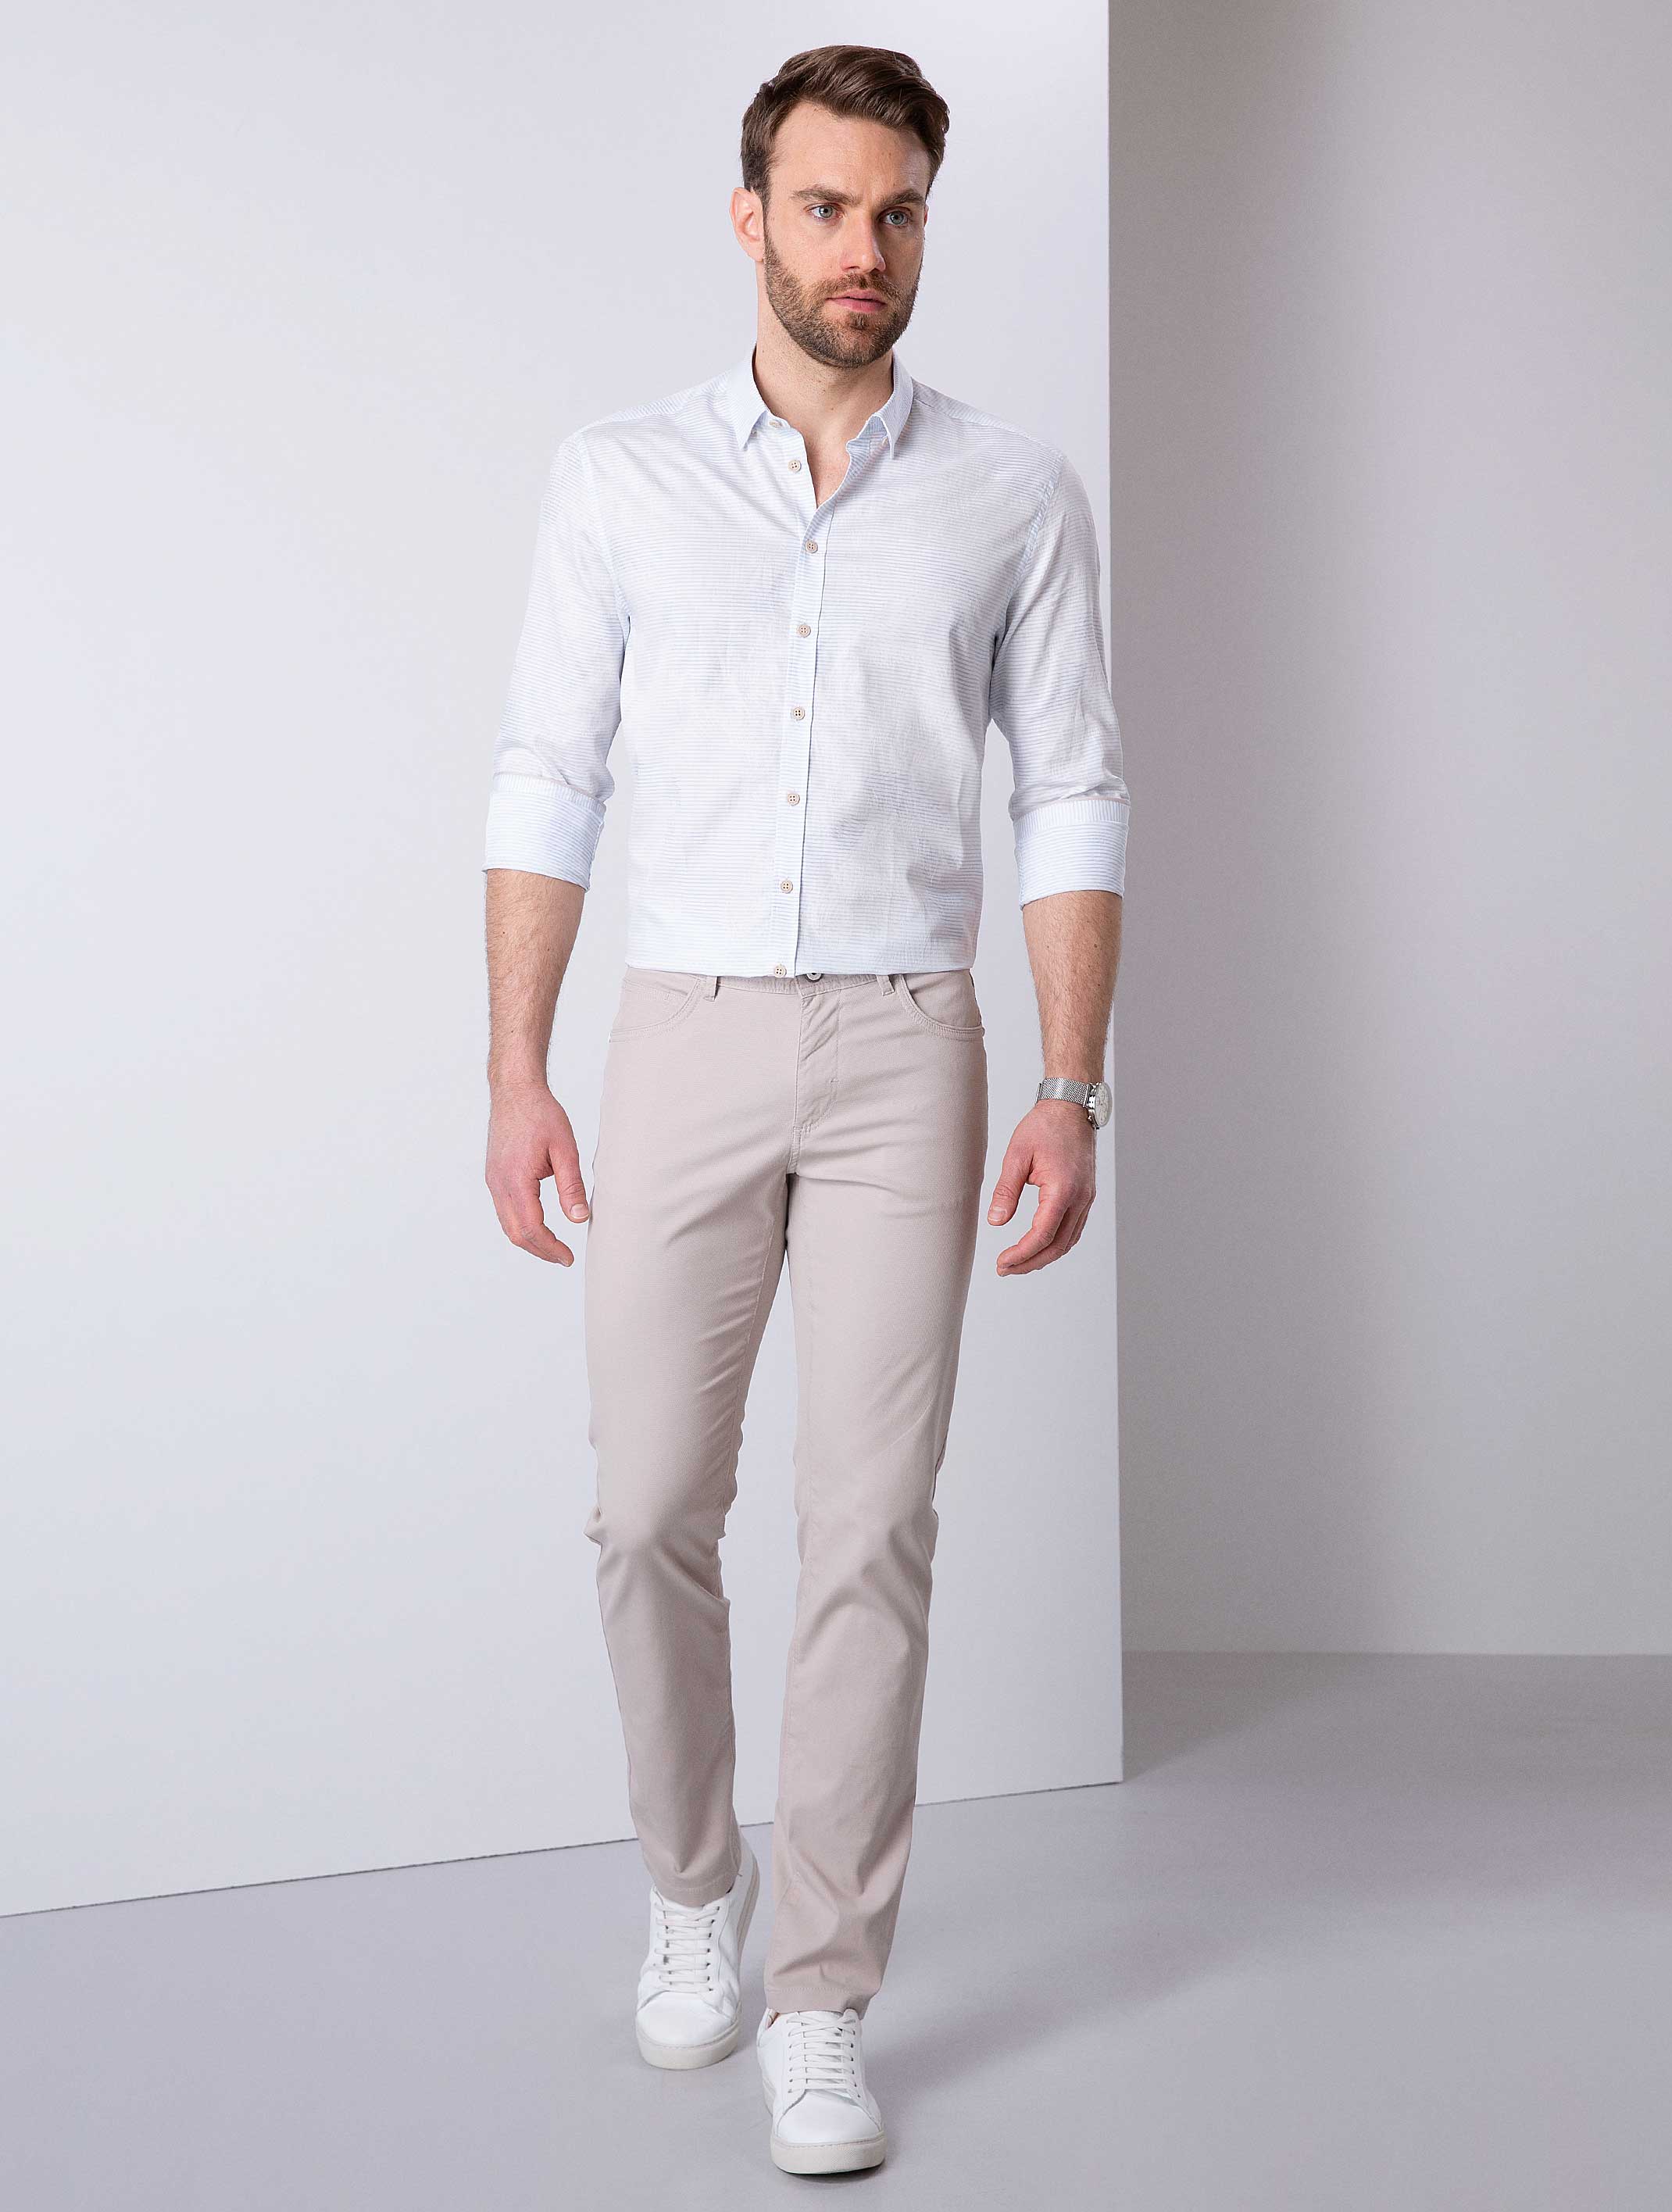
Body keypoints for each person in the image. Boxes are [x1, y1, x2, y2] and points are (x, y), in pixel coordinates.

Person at [481, 42, 1125, 2178]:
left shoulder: (1013, 494)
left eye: (900, 212)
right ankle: (696, 1886)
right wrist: (516, 1067)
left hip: (905, 1048)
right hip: (677, 1030)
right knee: (647, 1508)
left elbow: (1073, 793)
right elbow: (548, 773)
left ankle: (821, 1994)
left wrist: (1069, 1081)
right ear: (750, 219)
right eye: (831, 208)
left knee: (869, 1529)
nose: (868, 249)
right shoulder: (617, 479)